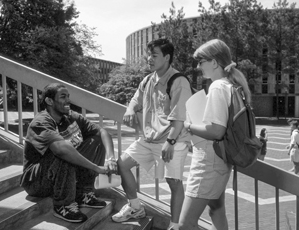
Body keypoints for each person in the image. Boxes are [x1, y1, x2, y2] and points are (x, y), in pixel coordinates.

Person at [112, 38, 192, 230]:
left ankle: (174, 225)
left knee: (174, 182)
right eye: (149, 54)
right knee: (122, 164)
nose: (149, 58)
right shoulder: (148, 80)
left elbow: (180, 116)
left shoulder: (178, 81)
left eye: (154, 55)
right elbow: (135, 99)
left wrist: (171, 141)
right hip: (148, 138)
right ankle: (135, 207)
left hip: (172, 140)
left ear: (167, 57)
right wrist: (130, 109)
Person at [179, 39, 252, 230]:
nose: (198, 66)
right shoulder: (231, 85)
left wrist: (189, 126)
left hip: (208, 163)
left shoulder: (217, 87)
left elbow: (216, 131)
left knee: (185, 224)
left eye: (201, 61)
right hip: (219, 161)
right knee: (216, 211)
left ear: (214, 62)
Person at [19, 83, 118, 223]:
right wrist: (96, 168)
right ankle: (63, 205)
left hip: (63, 175)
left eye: (68, 96)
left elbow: (102, 132)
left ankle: (83, 193)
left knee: (96, 140)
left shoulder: (71, 117)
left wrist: (111, 159)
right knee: (63, 151)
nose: (68, 100)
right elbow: (61, 149)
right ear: (49, 101)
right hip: (37, 182)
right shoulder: (41, 122)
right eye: (63, 96)